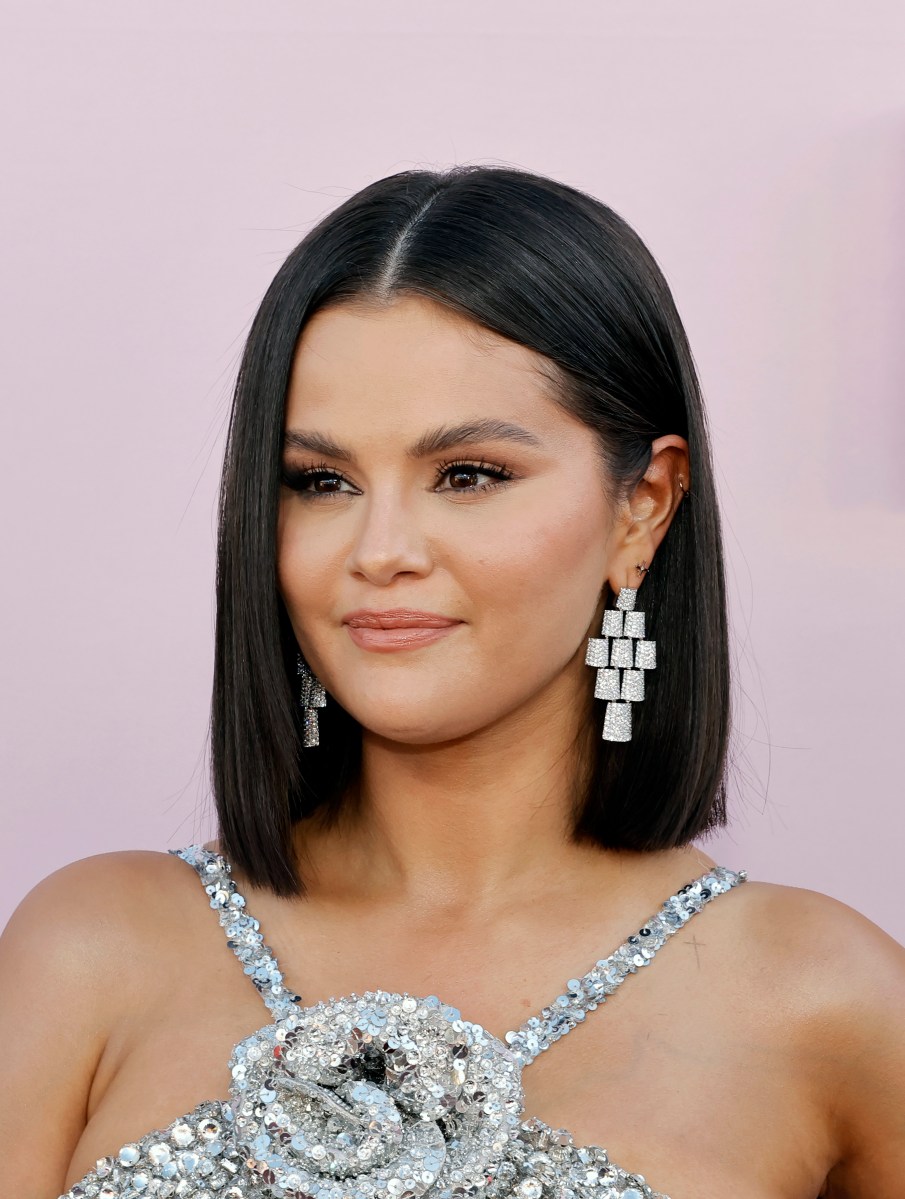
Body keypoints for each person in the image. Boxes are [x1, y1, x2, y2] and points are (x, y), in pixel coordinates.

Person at [1, 165, 903, 1199]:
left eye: (468, 473)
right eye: (319, 481)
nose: (379, 549)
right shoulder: (92, 947)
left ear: (641, 508)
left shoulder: (822, 999)